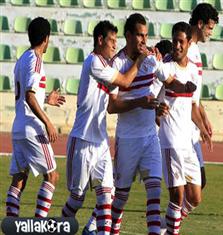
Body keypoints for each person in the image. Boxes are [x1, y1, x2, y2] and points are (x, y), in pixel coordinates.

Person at [107, 13, 197, 235]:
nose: (144, 40)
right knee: (120, 199)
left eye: (146, 35)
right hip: (127, 139)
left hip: (150, 138)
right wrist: (141, 101)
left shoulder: (150, 59)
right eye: (139, 35)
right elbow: (111, 106)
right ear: (128, 35)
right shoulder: (117, 64)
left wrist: (186, 88)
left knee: (155, 196)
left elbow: (168, 80)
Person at [60, 21, 150, 235]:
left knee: (106, 197)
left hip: (100, 142)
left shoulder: (106, 65)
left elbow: (115, 98)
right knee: (76, 199)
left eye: (116, 41)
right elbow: (126, 81)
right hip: (82, 140)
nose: (114, 45)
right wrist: (140, 58)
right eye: (111, 40)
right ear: (100, 40)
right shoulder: (94, 62)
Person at [5, 17, 65, 218]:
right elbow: (30, 97)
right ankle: (39, 225)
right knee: (52, 176)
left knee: (19, 179)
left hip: (18, 128)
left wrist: (46, 98)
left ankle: (12, 225)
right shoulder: (36, 61)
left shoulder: (22, 59)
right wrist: (47, 122)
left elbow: (28, 94)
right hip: (32, 128)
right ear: (46, 38)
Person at [157, 21, 212, 235]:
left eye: (181, 42)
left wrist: (203, 129)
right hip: (170, 140)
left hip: (187, 142)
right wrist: (156, 110)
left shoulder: (193, 70)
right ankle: (171, 230)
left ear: (189, 43)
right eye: (175, 41)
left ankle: (165, 225)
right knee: (177, 196)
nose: (177, 46)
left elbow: (192, 107)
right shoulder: (165, 67)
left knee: (195, 197)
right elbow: (151, 98)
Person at [185, 2, 218, 206]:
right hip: (181, 128)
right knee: (185, 189)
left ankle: (166, 226)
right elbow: (185, 97)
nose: (211, 33)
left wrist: (204, 118)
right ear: (200, 23)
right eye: (210, 28)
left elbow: (194, 95)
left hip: (192, 127)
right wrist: (201, 126)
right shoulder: (185, 49)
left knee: (197, 185)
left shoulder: (195, 50)